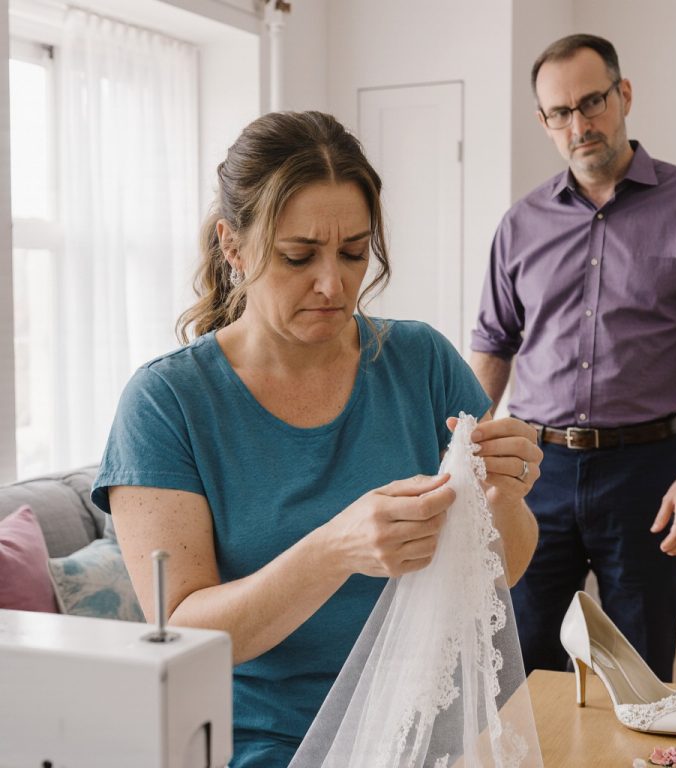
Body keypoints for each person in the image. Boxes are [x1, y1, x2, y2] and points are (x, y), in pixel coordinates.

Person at [91, 111, 542, 768]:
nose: (333, 285)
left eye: (354, 252)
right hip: (269, 744)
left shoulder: (420, 361)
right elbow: (185, 625)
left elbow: (509, 565)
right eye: (298, 256)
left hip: (432, 730)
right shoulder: (167, 404)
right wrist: (337, 549)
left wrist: (504, 497)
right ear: (233, 246)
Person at [470, 34, 676, 683]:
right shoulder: (519, 225)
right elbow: (493, 344)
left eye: (592, 101)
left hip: (648, 474)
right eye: (560, 113)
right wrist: (459, 465)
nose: (581, 124)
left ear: (623, 94)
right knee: (524, 668)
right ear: (544, 123)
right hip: (535, 471)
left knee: (639, 671)